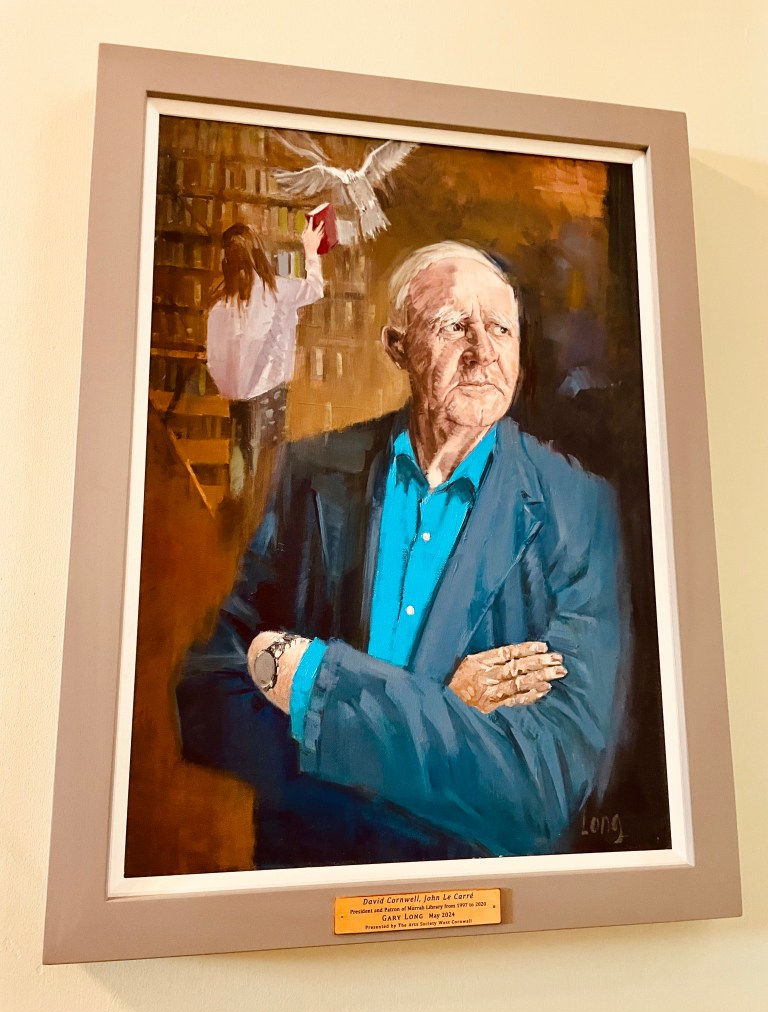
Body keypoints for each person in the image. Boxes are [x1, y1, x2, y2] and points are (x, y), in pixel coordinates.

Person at [177, 241, 630, 868]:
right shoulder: (311, 471)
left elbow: (541, 789)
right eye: (453, 326)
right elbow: (206, 696)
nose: (483, 352)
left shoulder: (578, 509)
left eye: (501, 328)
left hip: (471, 896)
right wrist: (444, 707)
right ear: (398, 348)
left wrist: (317, 688)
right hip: (310, 879)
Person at [205, 220, 325, 488]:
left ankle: (239, 507)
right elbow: (316, 288)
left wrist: (233, 387)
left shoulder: (221, 306)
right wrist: (311, 250)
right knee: (268, 470)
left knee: (240, 463)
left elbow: (215, 360)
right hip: (272, 394)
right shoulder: (279, 291)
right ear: (258, 255)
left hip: (237, 400)